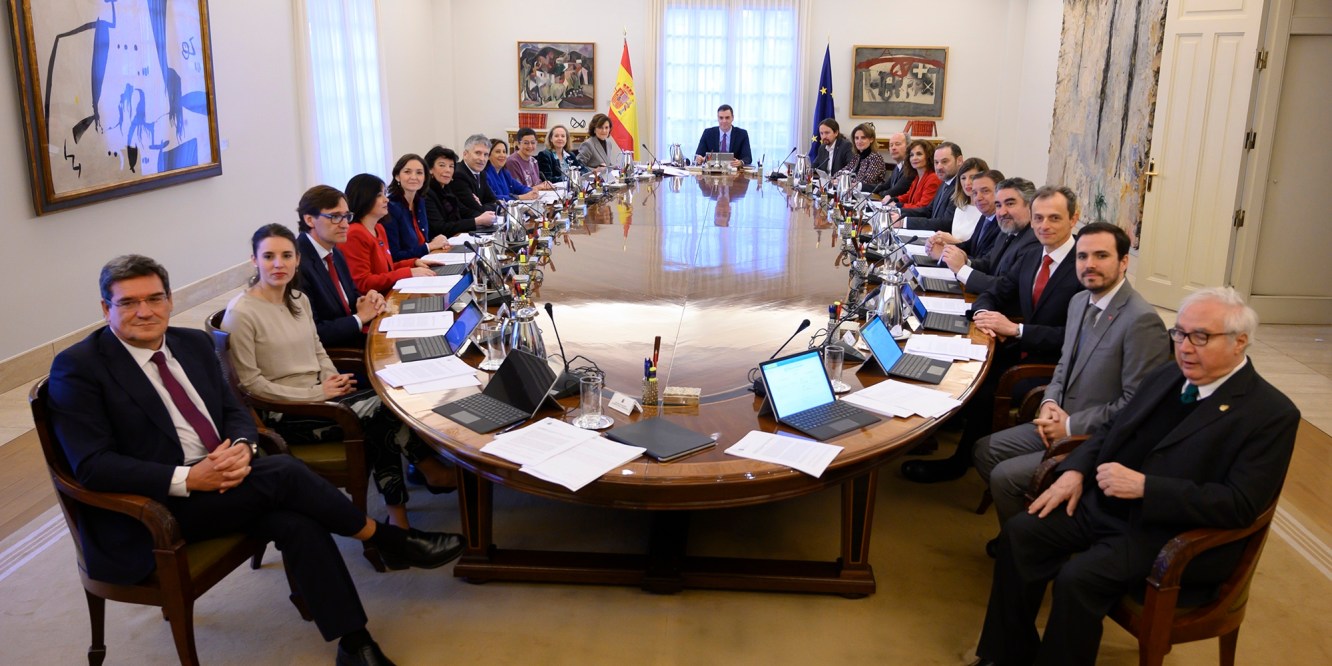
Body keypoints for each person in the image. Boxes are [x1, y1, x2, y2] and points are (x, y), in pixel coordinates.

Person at [47, 254, 464, 665]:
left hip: (227, 481)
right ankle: (388, 539)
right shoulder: (79, 368)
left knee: (297, 521)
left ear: (170, 300)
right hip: (155, 508)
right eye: (128, 302)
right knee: (283, 472)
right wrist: (189, 479)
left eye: (154, 298)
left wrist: (243, 449)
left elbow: (234, 411)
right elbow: (92, 466)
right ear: (106, 308)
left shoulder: (190, 344)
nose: (145, 311)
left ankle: (355, 643)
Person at [972, 287, 1299, 666]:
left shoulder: (1270, 414)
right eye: (1179, 333)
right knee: (1021, 535)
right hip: (1107, 505)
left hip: (1170, 534)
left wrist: (1146, 487)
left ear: (1239, 341)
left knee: (1078, 578)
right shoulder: (1168, 374)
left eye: (1201, 337)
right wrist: (1075, 470)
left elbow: (1240, 505)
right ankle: (1006, 655)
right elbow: (1111, 429)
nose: (1184, 347)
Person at [223, 224, 458, 532]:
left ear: (297, 260)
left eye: (286, 256)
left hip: (320, 394)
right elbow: (251, 386)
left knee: (382, 409)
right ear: (254, 260)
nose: (278, 264)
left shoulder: (297, 298)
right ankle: (426, 475)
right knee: (382, 408)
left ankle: (400, 515)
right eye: (268, 257)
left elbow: (317, 348)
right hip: (285, 411)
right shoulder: (241, 314)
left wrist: (333, 379)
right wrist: (318, 393)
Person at [974, 222, 1170, 531]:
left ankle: (1027, 540)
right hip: (1057, 419)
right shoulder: (1080, 302)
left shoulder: (1141, 321)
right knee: (985, 451)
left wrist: (1068, 425)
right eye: (1082, 256)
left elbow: (1136, 406)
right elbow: (1064, 364)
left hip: (1095, 439)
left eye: (1101, 256)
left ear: (1123, 262)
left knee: (1004, 476)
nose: (1089, 264)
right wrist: (1050, 402)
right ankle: (1034, 529)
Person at [903, 185, 1084, 484]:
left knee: (982, 388)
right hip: (1016, 347)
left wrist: (1017, 330)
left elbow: (1077, 338)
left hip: (1053, 366)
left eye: (1054, 218)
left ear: (1073, 218)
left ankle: (960, 463)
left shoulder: (1083, 264)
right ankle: (925, 431)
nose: (1044, 225)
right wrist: (983, 315)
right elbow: (996, 291)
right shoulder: (1034, 254)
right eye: (1038, 218)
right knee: (953, 361)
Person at [294, 184, 386, 350]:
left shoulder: (334, 251)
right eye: (335, 217)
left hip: (354, 338)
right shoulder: (296, 263)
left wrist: (368, 299)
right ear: (309, 220)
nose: (345, 225)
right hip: (335, 353)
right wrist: (360, 318)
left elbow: (351, 296)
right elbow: (313, 331)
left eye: (346, 216)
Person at [935, 174, 1040, 295]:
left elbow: (1007, 288)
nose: (1002, 212)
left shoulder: (1034, 241)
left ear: (1030, 206)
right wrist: (964, 261)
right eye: (998, 205)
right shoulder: (1006, 231)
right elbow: (989, 263)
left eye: (1010, 204)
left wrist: (962, 270)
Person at [340, 173, 435, 295]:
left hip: (388, 293)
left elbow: (386, 269)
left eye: (385, 194)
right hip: (374, 300)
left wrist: (413, 263)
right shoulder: (354, 233)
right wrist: (408, 272)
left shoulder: (379, 228)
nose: (386, 200)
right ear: (364, 198)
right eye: (379, 195)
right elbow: (363, 283)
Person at [383, 153, 451, 261]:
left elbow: (421, 240)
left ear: (425, 177)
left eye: (419, 173)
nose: (414, 177)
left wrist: (437, 240)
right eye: (407, 172)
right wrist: (429, 246)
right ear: (397, 176)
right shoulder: (390, 207)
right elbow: (394, 256)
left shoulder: (420, 202)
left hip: (424, 261)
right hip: (408, 267)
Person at [423, 145, 497, 238]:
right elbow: (440, 227)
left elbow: (463, 211)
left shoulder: (446, 188)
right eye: (442, 165)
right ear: (430, 169)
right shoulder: (426, 193)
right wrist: (477, 221)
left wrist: (486, 217)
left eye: (451, 166)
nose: (448, 170)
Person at [894, 141, 964, 231]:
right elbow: (928, 210)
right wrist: (898, 212)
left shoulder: (961, 187)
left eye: (944, 161)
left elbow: (946, 223)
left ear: (959, 161)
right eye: (936, 162)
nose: (939, 167)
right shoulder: (945, 182)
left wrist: (904, 222)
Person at [448, 134, 500, 218]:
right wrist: (485, 206)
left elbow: (494, 201)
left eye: (486, 154)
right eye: (478, 153)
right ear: (465, 154)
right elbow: (475, 209)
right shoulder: (458, 174)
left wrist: (483, 206)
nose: (482, 159)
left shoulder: (481, 173)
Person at [948, 157, 989, 241]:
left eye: (972, 177)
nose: (967, 183)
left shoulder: (986, 210)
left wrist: (952, 242)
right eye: (963, 178)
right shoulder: (960, 207)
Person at [894, 139, 940, 209]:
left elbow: (922, 207)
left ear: (929, 156)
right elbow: (908, 195)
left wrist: (898, 205)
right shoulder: (917, 177)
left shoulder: (933, 178)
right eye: (911, 155)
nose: (914, 158)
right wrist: (895, 199)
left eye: (919, 154)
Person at [505, 128, 555, 192]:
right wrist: (538, 187)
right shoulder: (512, 162)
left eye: (533, 143)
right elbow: (517, 190)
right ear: (518, 144)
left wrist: (544, 184)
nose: (530, 146)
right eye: (526, 143)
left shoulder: (533, 161)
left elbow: (536, 183)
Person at [871, 132, 915, 199]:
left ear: (908, 146)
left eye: (897, 144)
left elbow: (894, 192)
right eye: (891, 145)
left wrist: (880, 193)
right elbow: (884, 186)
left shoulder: (911, 167)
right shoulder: (898, 166)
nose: (893, 148)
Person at [843, 123, 887, 189]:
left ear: (871, 139)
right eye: (856, 138)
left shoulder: (876, 157)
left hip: (871, 193)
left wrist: (844, 180)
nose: (859, 141)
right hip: (855, 191)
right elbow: (846, 169)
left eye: (863, 138)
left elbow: (866, 181)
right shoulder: (857, 156)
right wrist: (836, 178)